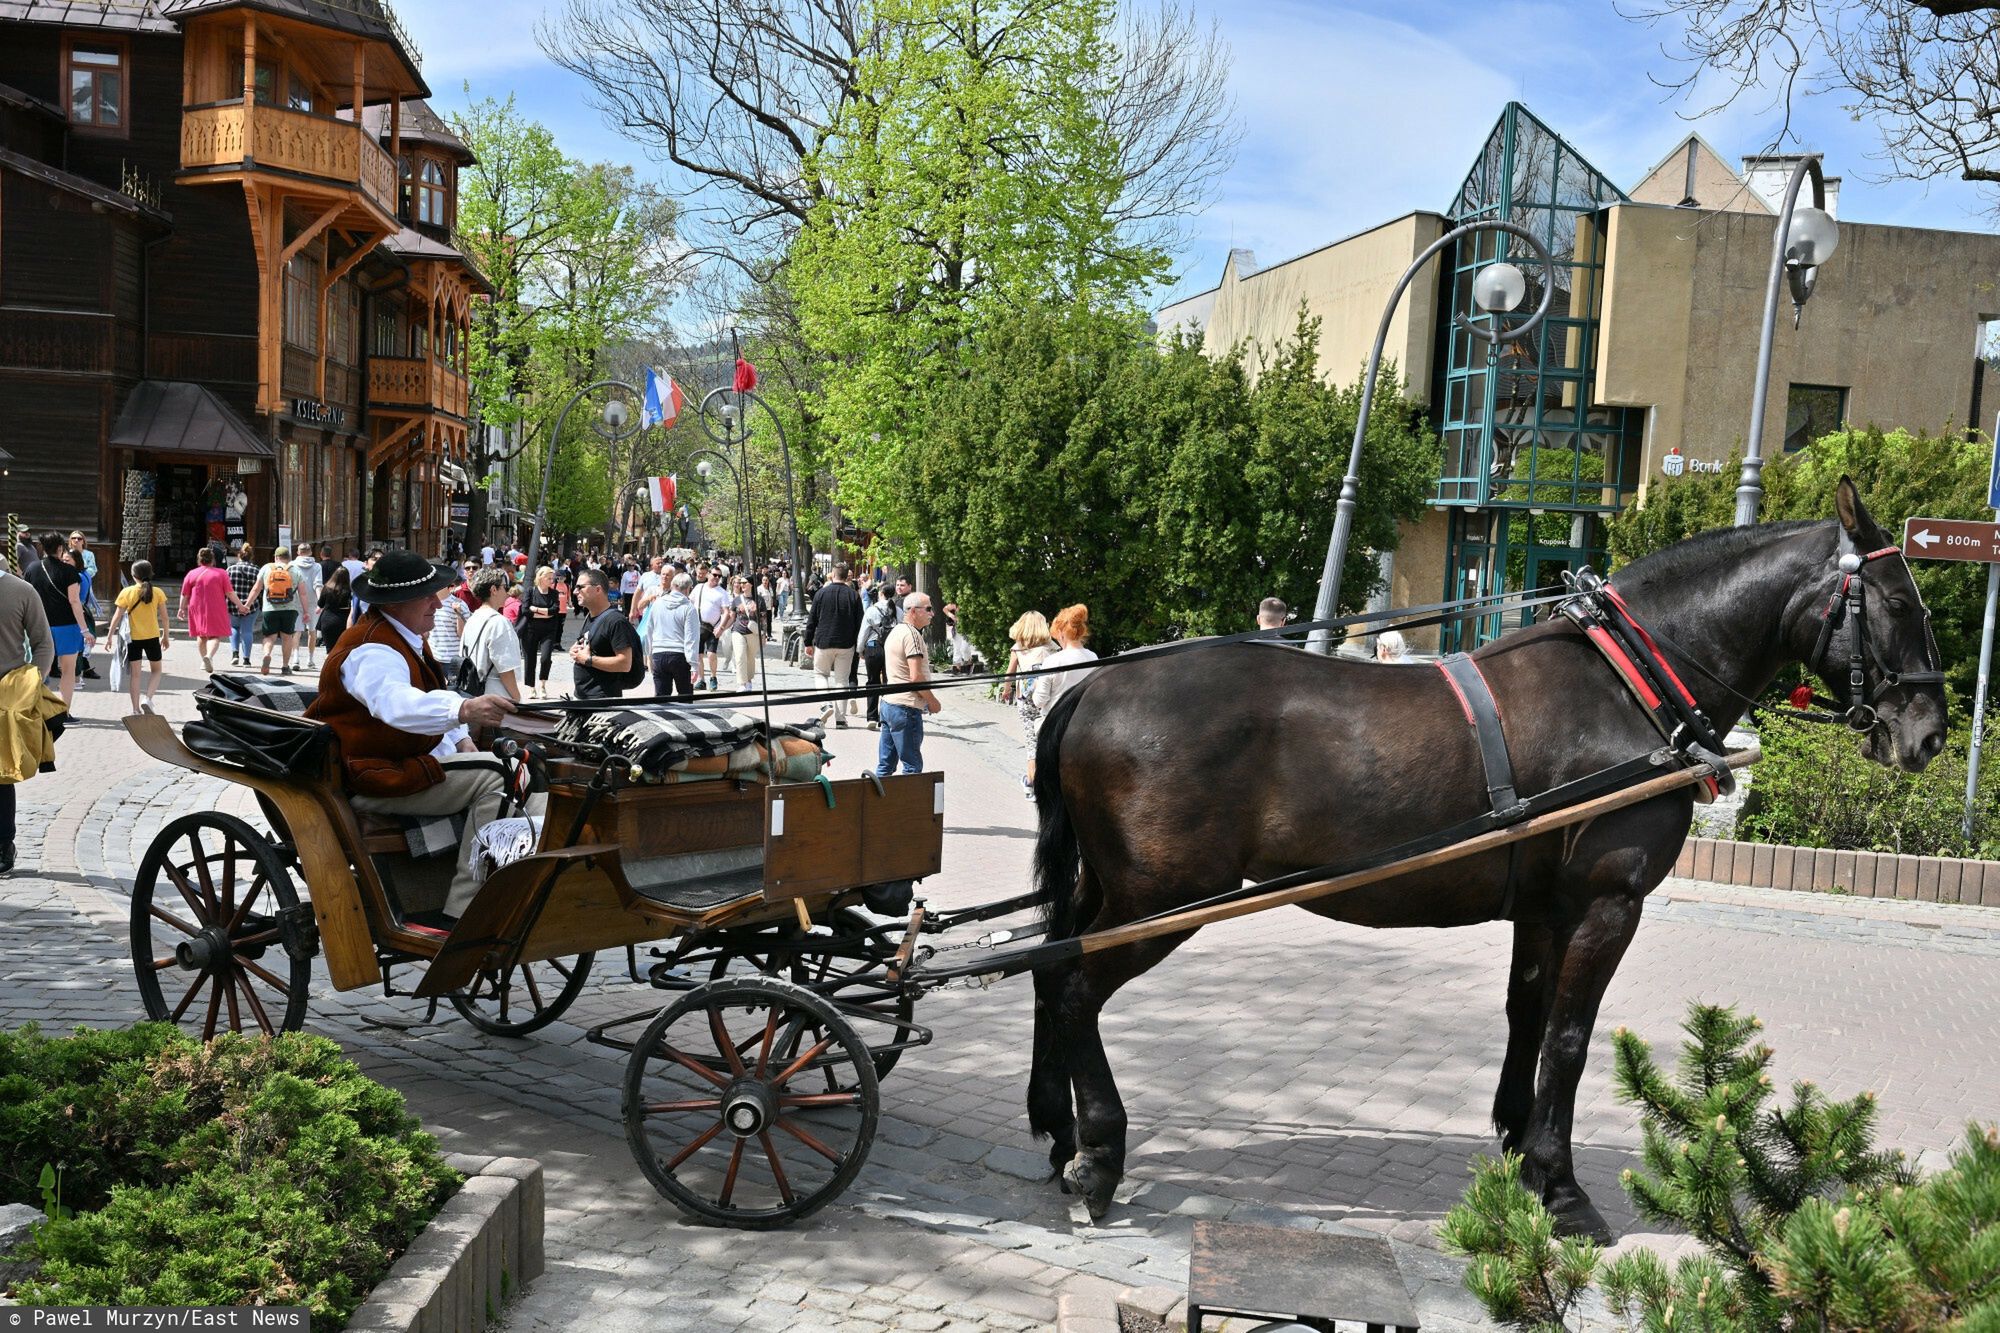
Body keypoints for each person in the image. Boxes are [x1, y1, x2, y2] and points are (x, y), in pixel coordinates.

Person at [304, 551, 519, 920]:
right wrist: (462, 710)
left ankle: (512, 875)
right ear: (397, 603)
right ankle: (464, 909)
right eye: (427, 595)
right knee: (501, 776)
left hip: (404, 764)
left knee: (524, 768)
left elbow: (422, 705)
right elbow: (396, 704)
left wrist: (459, 737)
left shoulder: (402, 636)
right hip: (376, 776)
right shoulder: (372, 648)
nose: (437, 603)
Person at [0, 558, 55, 875]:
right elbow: (44, 645)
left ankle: (3, 843)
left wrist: (30, 685)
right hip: (11, 695)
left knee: (2, 774)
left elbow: (43, 643)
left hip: (7, 695)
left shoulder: (21, 590)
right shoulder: (23, 590)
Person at [876, 593, 940, 776]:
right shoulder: (912, 635)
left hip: (889, 704)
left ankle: (878, 804)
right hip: (905, 707)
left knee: (885, 765)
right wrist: (933, 701)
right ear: (913, 611)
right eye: (928, 609)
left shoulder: (896, 631)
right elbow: (916, 678)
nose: (932, 613)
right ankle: (908, 805)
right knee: (912, 767)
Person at [27, 533, 91, 708]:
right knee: (68, 670)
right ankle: (65, 711)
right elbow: (74, 601)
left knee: (39, 669)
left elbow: (28, 598)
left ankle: (36, 709)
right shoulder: (70, 571)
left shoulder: (32, 569)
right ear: (60, 548)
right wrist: (84, 629)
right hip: (67, 626)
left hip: (39, 625)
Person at [1001, 610, 1054, 797]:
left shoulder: (1018, 648)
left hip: (1025, 700)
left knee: (1031, 743)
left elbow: (1009, 673)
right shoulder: (1050, 648)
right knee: (1047, 739)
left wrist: (1006, 690)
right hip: (1046, 698)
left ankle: (1031, 784)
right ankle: (1046, 781)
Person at [568, 568, 642, 700]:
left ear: (598, 589)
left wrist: (588, 660)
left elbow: (625, 663)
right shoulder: (591, 616)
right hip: (583, 697)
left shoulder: (616, 621)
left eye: (580, 587)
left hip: (602, 701)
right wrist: (576, 650)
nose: (575, 592)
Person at [804, 562, 863, 728]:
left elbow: (812, 620)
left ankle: (826, 704)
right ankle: (841, 719)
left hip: (824, 641)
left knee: (821, 674)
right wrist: (859, 644)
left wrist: (808, 641)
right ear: (847, 576)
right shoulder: (854, 595)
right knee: (842, 680)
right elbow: (860, 623)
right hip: (846, 643)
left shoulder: (821, 594)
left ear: (833, 574)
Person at [108, 559, 169, 715]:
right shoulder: (158, 592)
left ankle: (135, 709)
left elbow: (116, 617)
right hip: (152, 636)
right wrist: (165, 636)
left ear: (133, 575)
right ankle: (147, 698)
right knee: (156, 670)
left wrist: (109, 636)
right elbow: (165, 618)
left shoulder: (126, 592)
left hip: (133, 638)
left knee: (135, 675)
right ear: (150, 574)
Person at [460, 568, 524, 702]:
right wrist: (517, 698)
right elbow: (505, 669)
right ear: (494, 590)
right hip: (495, 695)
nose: (507, 593)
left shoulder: (473, 618)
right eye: (504, 587)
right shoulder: (499, 622)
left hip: (473, 693)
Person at [1030, 603, 1098, 716]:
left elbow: (1039, 701)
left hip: (1056, 722)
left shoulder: (1052, 661)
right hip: (1084, 718)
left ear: (1061, 634)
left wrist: (1036, 684)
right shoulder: (1093, 657)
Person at [180, 546, 239, 673]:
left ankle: (203, 660)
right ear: (213, 560)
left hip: (197, 607)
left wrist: (181, 608)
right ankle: (209, 656)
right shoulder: (221, 573)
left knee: (201, 635)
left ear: (199, 560)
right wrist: (240, 605)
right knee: (215, 635)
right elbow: (229, 593)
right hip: (216, 606)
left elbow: (185, 594)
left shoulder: (191, 573)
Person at [249, 544, 302, 674]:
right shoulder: (295, 570)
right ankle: (285, 666)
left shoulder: (267, 568)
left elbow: (256, 589)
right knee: (287, 637)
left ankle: (267, 654)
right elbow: (303, 593)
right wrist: (306, 611)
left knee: (269, 636)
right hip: (290, 609)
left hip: (270, 608)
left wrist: (247, 604)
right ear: (288, 557)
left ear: (276, 557)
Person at [647, 571, 701, 700]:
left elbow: (649, 630)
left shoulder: (657, 604)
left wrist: (649, 654)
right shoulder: (689, 608)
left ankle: (662, 719)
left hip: (659, 653)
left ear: (672, 585)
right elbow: (691, 638)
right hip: (679, 655)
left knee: (661, 698)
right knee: (685, 697)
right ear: (688, 589)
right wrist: (694, 664)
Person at [517, 567, 563, 700]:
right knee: (530, 660)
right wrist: (546, 613)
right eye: (549, 578)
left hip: (548, 631)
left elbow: (555, 610)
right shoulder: (530, 591)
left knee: (545, 658)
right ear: (540, 578)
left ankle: (542, 685)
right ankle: (531, 688)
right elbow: (525, 610)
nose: (551, 580)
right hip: (530, 630)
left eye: (552, 578)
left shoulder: (554, 593)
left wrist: (536, 610)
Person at [859, 585, 896, 726]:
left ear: (880, 593)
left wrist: (860, 649)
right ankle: (885, 716)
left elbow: (864, 632)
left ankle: (872, 717)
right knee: (889, 682)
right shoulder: (897, 611)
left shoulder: (871, 610)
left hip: (873, 647)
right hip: (891, 648)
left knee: (872, 681)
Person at [722, 575, 763, 688]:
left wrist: (763, 634)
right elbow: (732, 617)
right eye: (741, 583)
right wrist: (722, 628)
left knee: (750, 658)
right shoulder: (736, 600)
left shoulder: (759, 600)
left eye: (745, 583)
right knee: (739, 656)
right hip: (738, 631)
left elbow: (763, 619)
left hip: (753, 632)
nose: (742, 585)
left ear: (751, 584)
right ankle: (742, 683)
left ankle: (749, 680)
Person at [694, 565, 730, 690]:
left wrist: (721, 627)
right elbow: (689, 601)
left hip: (713, 627)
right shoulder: (699, 587)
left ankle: (713, 677)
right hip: (698, 626)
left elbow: (726, 612)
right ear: (708, 574)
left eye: (719, 576)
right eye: (714, 575)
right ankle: (701, 680)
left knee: (711, 654)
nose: (716, 578)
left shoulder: (722, 592)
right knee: (698, 655)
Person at [289, 544, 323, 669]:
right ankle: (310, 659)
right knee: (312, 630)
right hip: (313, 602)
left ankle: (296, 659)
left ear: (298, 552)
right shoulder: (317, 566)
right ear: (310, 552)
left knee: (297, 631)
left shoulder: (292, 565)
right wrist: (320, 601)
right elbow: (318, 584)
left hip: (296, 601)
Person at [226, 543, 259, 667]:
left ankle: (235, 654)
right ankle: (246, 659)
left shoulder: (230, 569)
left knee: (234, 628)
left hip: (232, 605)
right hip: (251, 605)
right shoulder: (256, 570)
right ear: (251, 556)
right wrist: (247, 604)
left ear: (239, 556)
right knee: (247, 631)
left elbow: (226, 589)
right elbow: (259, 589)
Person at [316, 567, 353, 658]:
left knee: (330, 650)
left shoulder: (327, 587)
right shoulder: (349, 590)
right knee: (341, 649)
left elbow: (320, 603)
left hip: (327, 620)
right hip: (343, 621)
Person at [430, 583, 467, 674]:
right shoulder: (428, 603)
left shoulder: (459, 604)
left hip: (455, 660)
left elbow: (464, 636)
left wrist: (458, 615)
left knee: (454, 688)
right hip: (434, 658)